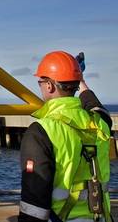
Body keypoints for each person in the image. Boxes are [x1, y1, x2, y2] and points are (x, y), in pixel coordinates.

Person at [19, 51, 113, 222]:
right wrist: (80, 80)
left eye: (40, 82)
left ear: (49, 85)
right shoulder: (100, 124)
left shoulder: (41, 131)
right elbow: (97, 107)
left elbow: (34, 207)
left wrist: (78, 79)